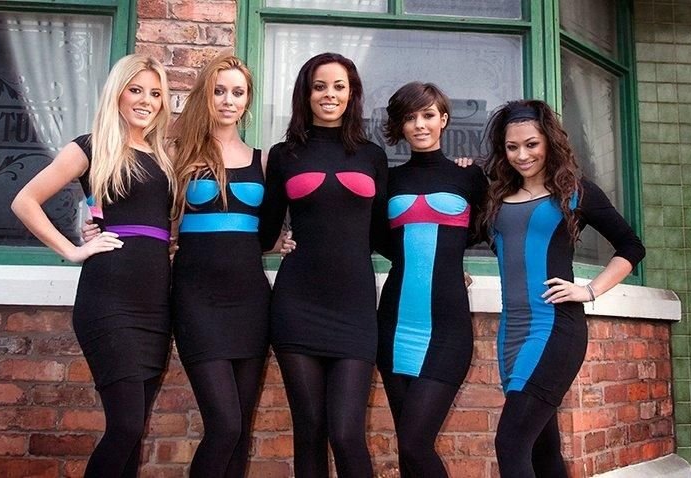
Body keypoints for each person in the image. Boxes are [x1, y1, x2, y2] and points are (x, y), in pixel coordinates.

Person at [11, 54, 174, 477]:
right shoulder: (89, 147)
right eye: (136, 90)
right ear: (117, 93)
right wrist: (72, 249)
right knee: (125, 426)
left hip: (156, 304)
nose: (146, 101)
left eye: (155, 93)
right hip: (109, 300)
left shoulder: (162, 155)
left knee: (135, 432)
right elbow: (24, 201)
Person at [481, 99, 646, 477]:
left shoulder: (575, 192)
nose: (522, 155)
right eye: (512, 147)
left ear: (549, 142)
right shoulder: (495, 198)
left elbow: (631, 247)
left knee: (510, 442)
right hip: (511, 334)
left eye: (532, 144)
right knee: (543, 449)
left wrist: (589, 291)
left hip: (555, 328)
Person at [258, 52, 388, 478]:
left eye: (338, 87)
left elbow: (385, 235)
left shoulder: (372, 155)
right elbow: (263, 231)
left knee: (347, 434)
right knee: (310, 430)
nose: (329, 95)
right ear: (306, 93)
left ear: (352, 94)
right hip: (297, 305)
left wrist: (447, 255)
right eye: (319, 86)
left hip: (354, 309)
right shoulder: (285, 154)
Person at [168, 51, 292, 478]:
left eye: (237, 92)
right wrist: (92, 221)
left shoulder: (264, 160)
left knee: (240, 433)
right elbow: (139, 201)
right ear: (205, 95)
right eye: (219, 91)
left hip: (251, 303)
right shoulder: (179, 154)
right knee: (224, 425)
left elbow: (268, 231)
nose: (228, 100)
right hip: (196, 302)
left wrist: (284, 242)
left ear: (247, 100)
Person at [376, 82, 487, 477]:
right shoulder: (389, 180)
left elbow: (491, 230)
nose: (419, 124)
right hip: (394, 324)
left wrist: (448, 260)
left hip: (448, 328)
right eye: (410, 117)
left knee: (415, 443)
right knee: (408, 450)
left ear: (443, 119)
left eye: (427, 115)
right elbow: (376, 238)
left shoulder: (469, 176)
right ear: (401, 126)